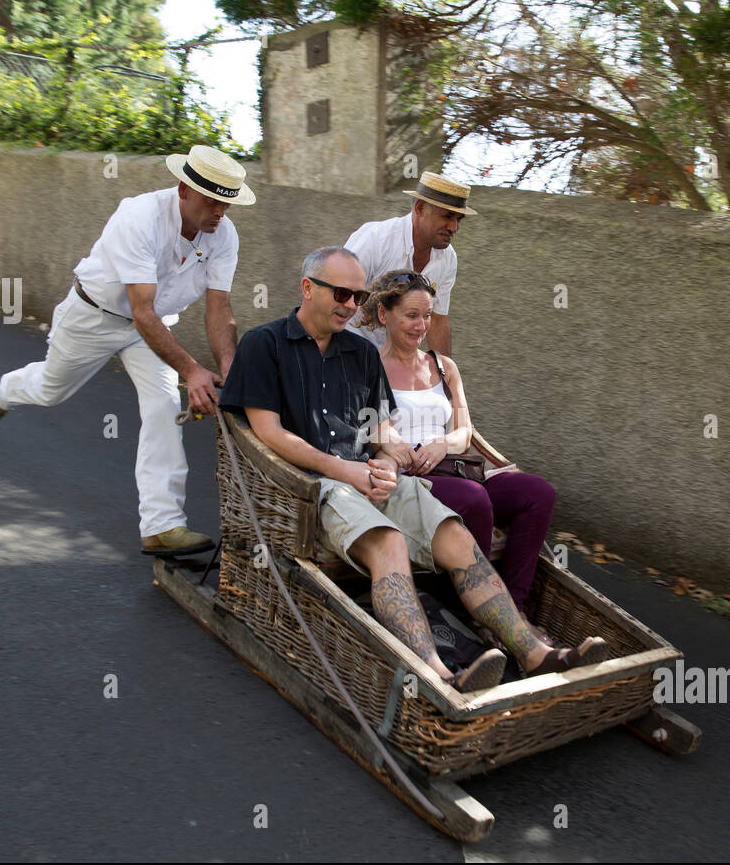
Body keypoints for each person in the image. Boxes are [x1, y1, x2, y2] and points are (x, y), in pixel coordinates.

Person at [218, 247, 609, 692]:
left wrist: (384, 465)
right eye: (341, 294)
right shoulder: (264, 345)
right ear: (308, 288)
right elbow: (267, 431)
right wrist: (346, 472)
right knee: (389, 542)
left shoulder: (359, 355)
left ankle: (535, 654)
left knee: (455, 535)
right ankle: (439, 675)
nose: (349, 305)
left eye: (357, 296)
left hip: (369, 477)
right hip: (312, 486)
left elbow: (383, 434)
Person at [0, 145, 254, 555]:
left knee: (161, 407)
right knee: (52, 390)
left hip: (152, 328)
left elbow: (219, 308)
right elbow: (141, 310)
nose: (219, 213)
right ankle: (6, 390)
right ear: (184, 189)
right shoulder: (139, 217)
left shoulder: (223, 236)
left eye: (226, 205)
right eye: (212, 201)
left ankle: (162, 526)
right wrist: (193, 371)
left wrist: (231, 371)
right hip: (94, 317)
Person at [359, 270, 558, 634]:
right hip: (410, 478)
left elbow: (464, 433)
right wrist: (393, 443)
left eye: (427, 315)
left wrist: (441, 444)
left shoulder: (444, 367)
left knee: (538, 493)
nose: (421, 325)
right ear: (385, 315)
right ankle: (479, 613)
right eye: (411, 315)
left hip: (454, 466)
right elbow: (373, 431)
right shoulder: (367, 367)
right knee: (475, 499)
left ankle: (512, 609)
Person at [342, 171, 473, 355]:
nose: (454, 227)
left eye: (459, 219)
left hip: (396, 365)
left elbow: (437, 320)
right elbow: (335, 297)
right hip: (347, 353)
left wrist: (443, 377)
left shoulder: (448, 258)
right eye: (447, 216)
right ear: (419, 208)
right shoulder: (375, 239)